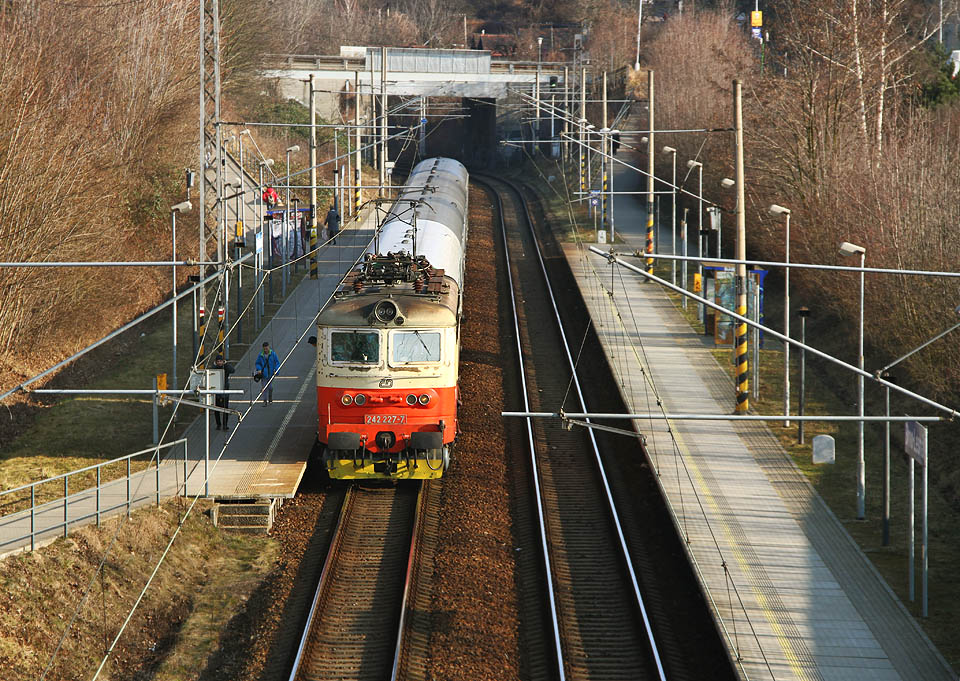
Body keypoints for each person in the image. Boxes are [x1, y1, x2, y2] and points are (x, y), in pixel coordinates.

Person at [213, 354, 235, 430]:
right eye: (218, 361)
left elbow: (233, 370)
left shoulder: (226, 367)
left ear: (223, 361)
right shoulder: (214, 368)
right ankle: (218, 424)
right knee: (216, 408)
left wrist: (226, 364)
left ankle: (225, 425)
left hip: (225, 389)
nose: (219, 363)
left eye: (220, 361)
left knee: (225, 408)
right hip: (216, 390)